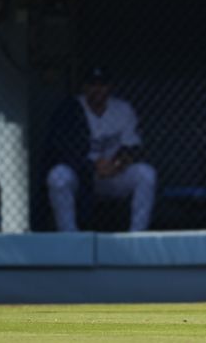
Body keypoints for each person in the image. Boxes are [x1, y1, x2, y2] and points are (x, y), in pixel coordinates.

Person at [45, 65, 156, 232]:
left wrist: (118, 164)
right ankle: (69, 237)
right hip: (83, 176)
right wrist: (93, 166)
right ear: (84, 87)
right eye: (92, 85)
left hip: (114, 175)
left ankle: (137, 236)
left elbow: (133, 146)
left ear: (110, 87)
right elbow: (62, 151)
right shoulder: (71, 109)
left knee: (146, 174)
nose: (98, 90)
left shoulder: (122, 109)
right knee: (57, 176)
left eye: (102, 85)